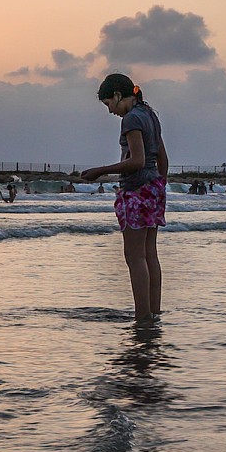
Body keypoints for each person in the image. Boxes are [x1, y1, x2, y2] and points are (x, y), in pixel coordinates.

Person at [74, 73, 168, 320]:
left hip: (136, 190)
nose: (110, 111)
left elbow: (137, 160)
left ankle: (142, 316)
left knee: (134, 257)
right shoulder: (150, 114)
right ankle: (153, 312)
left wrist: (101, 171)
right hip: (154, 188)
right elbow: (162, 157)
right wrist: (160, 184)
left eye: (108, 104)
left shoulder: (131, 119)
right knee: (150, 254)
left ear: (117, 96)